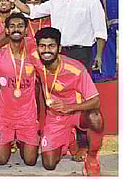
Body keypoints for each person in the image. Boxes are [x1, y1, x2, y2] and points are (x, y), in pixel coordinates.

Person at [7, 0, 107, 73]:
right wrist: (15, 0)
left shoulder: (91, 1)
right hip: (58, 53)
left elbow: (100, 31)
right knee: (58, 86)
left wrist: (99, 56)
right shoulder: (55, 2)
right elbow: (32, 11)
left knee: (80, 87)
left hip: (81, 53)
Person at [34, 27, 104, 176]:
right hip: (55, 117)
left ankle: (91, 157)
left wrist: (70, 107)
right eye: (42, 46)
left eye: (51, 46)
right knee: (49, 164)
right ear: (37, 48)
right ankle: (69, 139)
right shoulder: (36, 61)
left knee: (95, 118)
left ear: (59, 48)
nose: (47, 51)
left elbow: (95, 101)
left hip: (76, 112)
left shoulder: (76, 68)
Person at [0, 13, 41, 166]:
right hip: (3, 115)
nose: (16, 29)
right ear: (7, 31)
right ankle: (10, 139)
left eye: (20, 26)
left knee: (30, 161)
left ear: (26, 31)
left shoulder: (34, 54)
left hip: (27, 115)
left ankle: (22, 141)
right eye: (12, 26)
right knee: (1, 160)